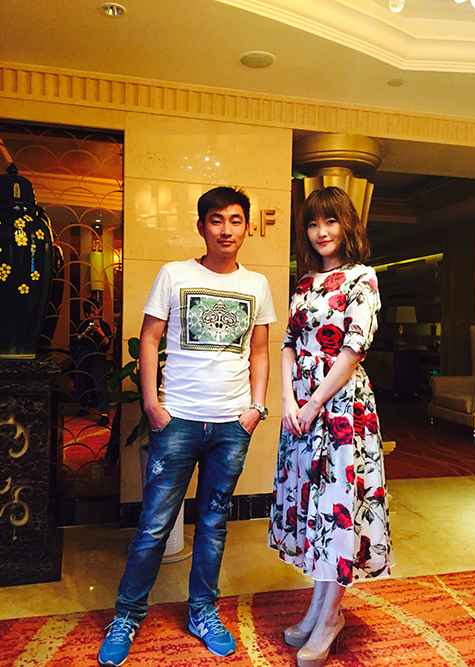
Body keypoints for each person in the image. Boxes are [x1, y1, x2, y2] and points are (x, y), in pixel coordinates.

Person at [98, 186, 276, 666]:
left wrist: (256, 408)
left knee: (214, 524)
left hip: (231, 425)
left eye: (235, 220)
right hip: (177, 420)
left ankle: (203, 611)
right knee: (154, 525)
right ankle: (127, 615)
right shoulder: (174, 274)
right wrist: (152, 405)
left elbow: (260, 350)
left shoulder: (257, 284)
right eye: (216, 220)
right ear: (201, 227)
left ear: (247, 228)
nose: (226, 230)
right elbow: (149, 338)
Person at [268, 187, 394, 667]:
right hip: (301, 409)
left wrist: (315, 402)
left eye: (330, 221)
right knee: (315, 509)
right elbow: (287, 343)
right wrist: (288, 400)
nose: (321, 232)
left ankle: (328, 618)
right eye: (312, 223)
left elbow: (353, 349)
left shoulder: (362, 278)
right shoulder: (305, 282)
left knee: (338, 507)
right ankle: (321, 608)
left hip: (341, 409)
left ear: (347, 225)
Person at [71, 297, 112, 427]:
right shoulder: (81, 325)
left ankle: (104, 413)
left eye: (94, 311)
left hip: (98, 357)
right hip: (84, 356)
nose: (93, 314)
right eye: (89, 313)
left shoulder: (104, 326)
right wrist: (84, 333)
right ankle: (84, 407)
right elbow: (74, 342)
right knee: (81, 382)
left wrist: (101, 333)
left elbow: (108, 344)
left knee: (100, 383)